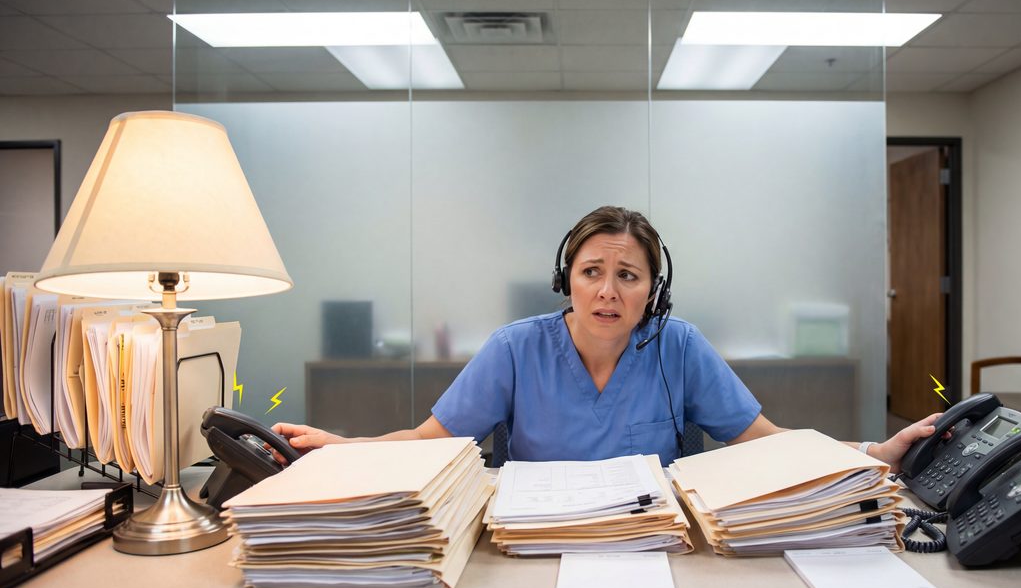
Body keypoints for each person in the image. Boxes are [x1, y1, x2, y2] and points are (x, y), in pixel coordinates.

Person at [273, 206, 940, 469]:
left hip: (653, 544)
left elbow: (764, 441)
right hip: (535, 540)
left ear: (653, 287)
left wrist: (870, 451)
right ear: (568, 279)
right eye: (592, 272)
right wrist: (342, 448)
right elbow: (426, 443)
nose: (608, 291)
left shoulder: (678, 346)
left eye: (628, 274)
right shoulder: (515, 348)